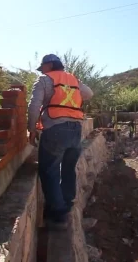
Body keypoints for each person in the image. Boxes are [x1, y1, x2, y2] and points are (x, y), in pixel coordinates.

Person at [27, 54, 94, 228]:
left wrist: (32, 129)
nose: (41, 71)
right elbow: (89, 93)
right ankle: (67, 203)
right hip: (75, 130)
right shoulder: (72, 79)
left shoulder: (44, 80)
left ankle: (58, 215)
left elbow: (34, 106)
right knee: (68, 168)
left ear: (49, 65)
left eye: (42, 67)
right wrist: (72, 86)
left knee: (49, 170)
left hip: (55, 130)